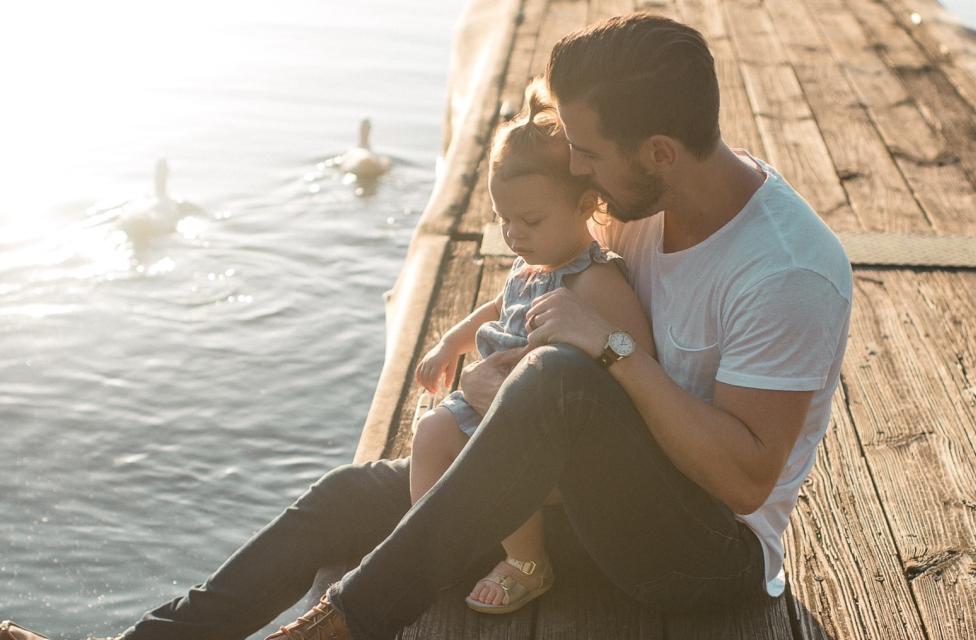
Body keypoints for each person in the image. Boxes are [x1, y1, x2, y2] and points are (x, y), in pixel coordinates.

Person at [1, 12, 851, 640]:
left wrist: (610, 354)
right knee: (349, 496)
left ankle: (343, 626)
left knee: (556, 383)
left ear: (659, 151)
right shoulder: (637, 202)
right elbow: (552, 292)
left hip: (699, 555)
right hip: (582, 493)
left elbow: (743, 481)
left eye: (588, 152)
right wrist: (502, 355)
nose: (577, 169)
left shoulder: (787, 271)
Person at [408, 78, 654, 615]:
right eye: (504, 221)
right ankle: (433, 545)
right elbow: (497, 308)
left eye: (531, 220)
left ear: (587, 202)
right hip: (491, 395)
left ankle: (528, 562)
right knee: (429, 433)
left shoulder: (594, 280)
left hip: (541, 423)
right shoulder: (532, 263)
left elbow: (636, 356)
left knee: (502, 461)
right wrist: (452, 342)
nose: (514, 235)